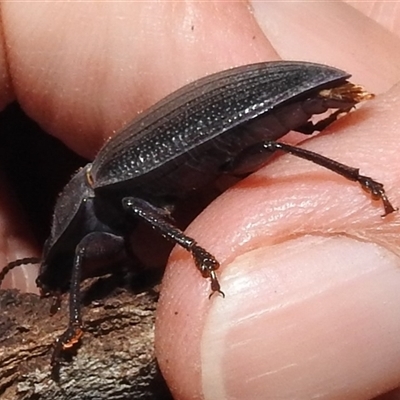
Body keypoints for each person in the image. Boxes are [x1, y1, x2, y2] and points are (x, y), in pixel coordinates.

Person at [1, 2, 400, 399]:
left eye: (60, 262)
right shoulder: (109, 187)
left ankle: (357, 176)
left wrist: (194, 248)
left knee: (266, 147)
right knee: (263, 149)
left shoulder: (110, 188)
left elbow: (95, 241)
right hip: (262, 105)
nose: (78, 263)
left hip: (261, 102)